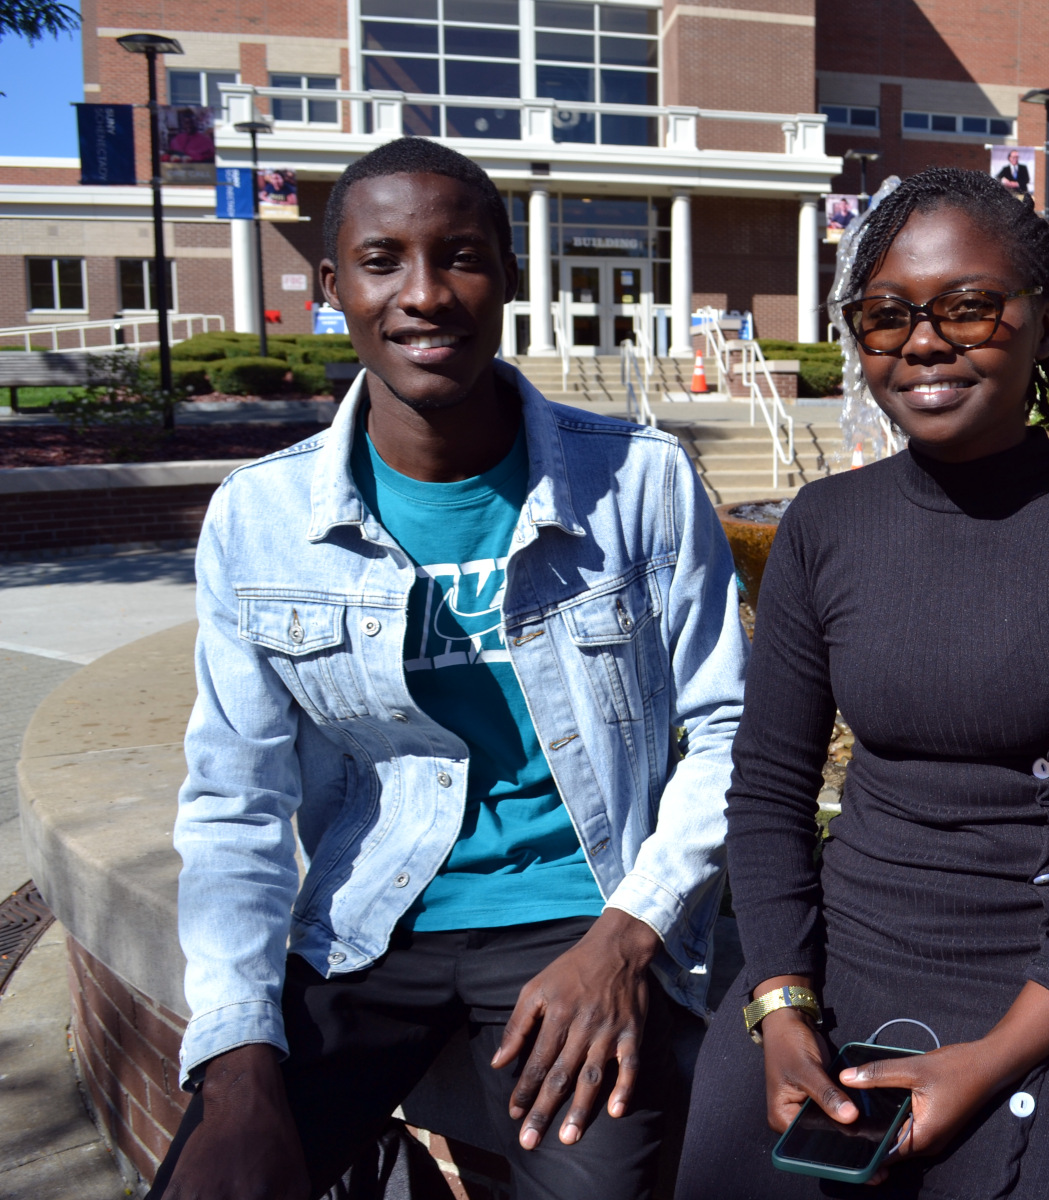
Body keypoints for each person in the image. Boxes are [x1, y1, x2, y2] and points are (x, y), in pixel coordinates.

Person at [148, 137, 746, 1200]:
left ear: (509, 274)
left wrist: (626, 938)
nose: (424, 294)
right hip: (370, 921)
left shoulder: (641, 483)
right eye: (383, 260)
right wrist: (238, 1057)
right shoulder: (261, 519)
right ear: (333, 287)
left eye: (461, 256)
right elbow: (234, 800)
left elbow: (733, 729)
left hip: (579, 911)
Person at [677, 167, 1049, 1199]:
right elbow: (769, 793)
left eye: (968, 307)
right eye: (885, 317)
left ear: (1043, 321)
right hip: (841, 969)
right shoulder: (823, 531)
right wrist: (782, 1004)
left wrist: (990, 1058)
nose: (923, 342)